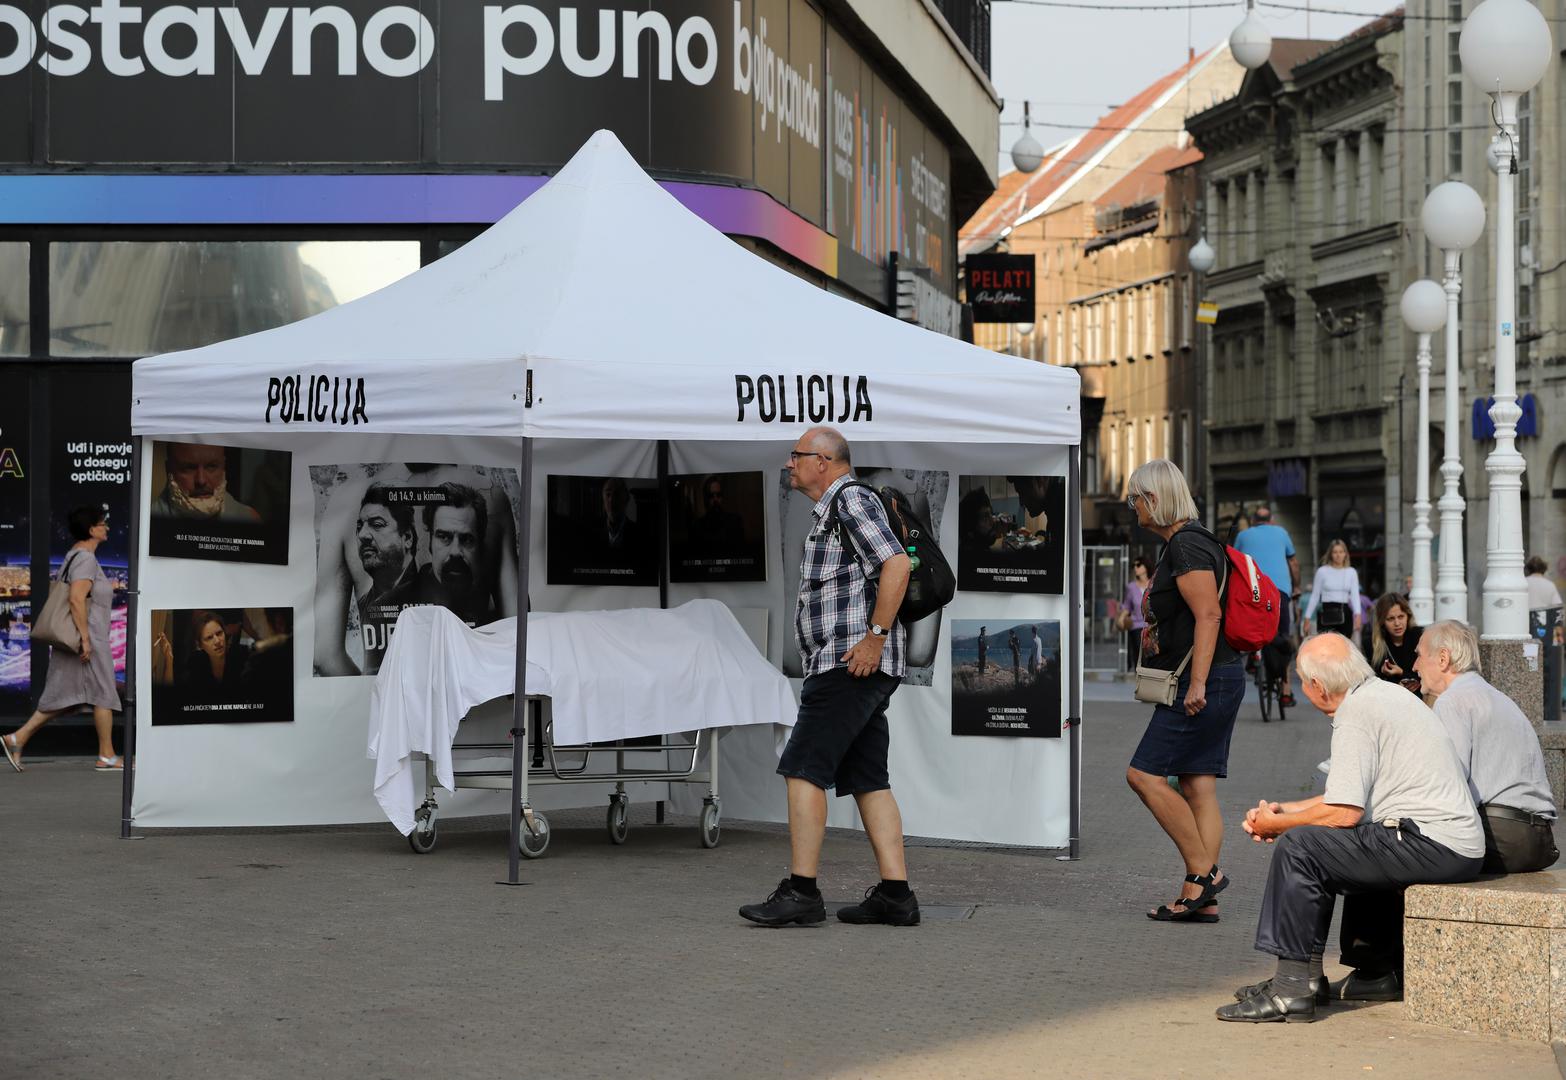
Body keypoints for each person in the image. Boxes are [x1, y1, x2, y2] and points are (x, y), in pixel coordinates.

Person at [1214, 633, 1484, 1023]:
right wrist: (1283, 811)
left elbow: (1343, 813)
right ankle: (1306, 980)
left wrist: (1282, 825)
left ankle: (1290, 991)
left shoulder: (1356, 715)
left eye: (1302, 682)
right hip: (1446, 841)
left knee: (1300, 848)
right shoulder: (1378, 696)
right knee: (1314, 841)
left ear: (1318, 687)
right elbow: (1348, 797)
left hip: (1434, 841)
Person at [1326, 620, 1561, 1004]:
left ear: (1444, 658)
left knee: (1380, 846)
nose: (1415, 665)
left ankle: (1374, 970)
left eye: (1419, 655)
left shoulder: (1454, 702)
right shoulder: (1492, 696)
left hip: (1503, 832)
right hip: (1533, 835)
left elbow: (1443, 785)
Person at [740, 426, 916, 928]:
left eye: (796, 456)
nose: (789, 464)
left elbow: (897, 565)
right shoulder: (833, 511)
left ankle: (802, 892)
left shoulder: (851, 501)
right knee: (867, 778)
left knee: (803, 768)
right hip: (852, 663)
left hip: (849, 663)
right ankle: (896, 895)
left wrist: (875, 637)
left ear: (824, 460)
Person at [1123, 459, 1246, 924]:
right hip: (1219, 676)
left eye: (1135, 498)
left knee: (1144, 775)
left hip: (1204, 681)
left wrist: (1196, 683)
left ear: (1153, 499)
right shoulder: (1189, 541)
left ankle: (1205, 873)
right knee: (1197, 785)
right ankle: (1201, 895)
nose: (1131, 507)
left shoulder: (1188, 545)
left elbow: (1209, 616)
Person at [312, 463, 518, 677]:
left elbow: (325, 654)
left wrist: (374, 698)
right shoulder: (492, 498)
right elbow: (518, 640)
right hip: (471, 702)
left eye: (465, 539)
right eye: (444, 537)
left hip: (387, 703)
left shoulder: (346, 499)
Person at [1, 506, 123, 772]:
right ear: (92, 530)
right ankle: (107, 756)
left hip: (77, 639)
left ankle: (17, 738)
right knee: (103, 693)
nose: (107, 528)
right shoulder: (86, 559)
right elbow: (76, 599)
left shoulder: (74, 555)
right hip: (85, 639)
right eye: (103, 524)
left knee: (65, 696)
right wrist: (87, 640)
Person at [1235, 505, 1300, 704]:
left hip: (1253, 591)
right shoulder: (1281, 532)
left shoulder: (1243, 535)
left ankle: (1254, 656)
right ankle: (1286, 690)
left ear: (1254, 521)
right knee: (1283, 635)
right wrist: (1296, 586)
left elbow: (1235, 564)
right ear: (1271, 520)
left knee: (1251, 625)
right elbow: (1293, 563)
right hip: (1280, 591)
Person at [416, 483, 493, 626]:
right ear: (430, 541)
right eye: (444, 537)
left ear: (481, 545)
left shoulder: (497, 604)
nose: (455, 551)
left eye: (467, 539)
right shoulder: (405, 596)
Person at [151, 442, 261, 521]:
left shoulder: (248, 518)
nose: (201, 480)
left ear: (223, 467)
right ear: (169, 469)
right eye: (189, 468)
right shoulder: (146, 522)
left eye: (211, 466)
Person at [1302, 539, 1361, 641]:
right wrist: (1307, 617)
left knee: (1344, 647)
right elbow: (1315, 596)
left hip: (1344, 612)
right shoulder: (1322, 571)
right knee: (1326, 645)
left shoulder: (1351, 572)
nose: (1338, 555)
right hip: (1326, 612)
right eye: (1335, 552)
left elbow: (1355, 596)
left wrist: (1358, 614)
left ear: (1345, 554)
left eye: (1341, 552)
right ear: (1330, 554)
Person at [1369, 593, 1422, 695]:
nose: (1397, 623)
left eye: (1401, 616)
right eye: (1391, 619)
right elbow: (1371, 684)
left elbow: (1429, 676)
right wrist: (1385, 676)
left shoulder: (1419, 637)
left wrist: (1401, 672)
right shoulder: (1372, 644)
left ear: (1408, 616)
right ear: (1382, 621)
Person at [690, 474, 747, 558]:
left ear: (722, 497)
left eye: (719, 495)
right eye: (711, 496)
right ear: (705, 498)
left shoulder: (735, 522)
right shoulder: (697, 526)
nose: (715, 499)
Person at [1122, 556, 1151, 672]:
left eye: (1138, 565)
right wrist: (1121, 618)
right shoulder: (1131, 587)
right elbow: (1126, 606)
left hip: (1152, 627)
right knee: (1139, 658)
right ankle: (1140, 681)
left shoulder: (1153, 585)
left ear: (1145, 567)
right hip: (1136, 627)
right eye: (1134, 566)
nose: (1135, 568)